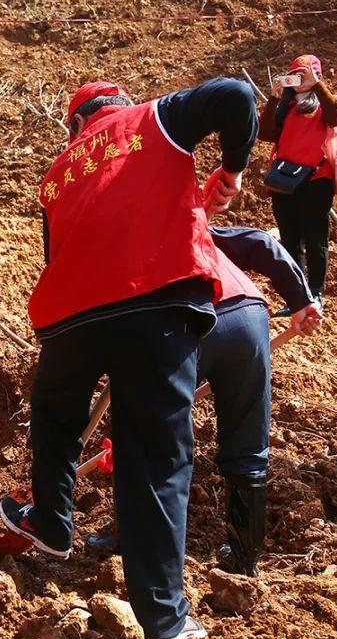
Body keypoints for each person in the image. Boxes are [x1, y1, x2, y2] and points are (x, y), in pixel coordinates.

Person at [0, 77, 258, 639]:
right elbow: (238, 98)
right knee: (154, 461)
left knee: (56, 416)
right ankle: (164, 622)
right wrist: (232, 172)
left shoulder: (56, 174)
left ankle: (52, 522)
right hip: (156, 304)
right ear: (119, 106)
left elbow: (56, 256)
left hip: (71, 318)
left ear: (74, 125)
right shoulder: (156, 117)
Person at [86, 226, 323, 578]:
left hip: (184, 323)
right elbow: (260, 242)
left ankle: (131, 540)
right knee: (247, 441)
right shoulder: (184, 215)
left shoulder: (117, 234)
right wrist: (301, 300)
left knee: (140, 431)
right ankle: (243, 558)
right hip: (247, 317)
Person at [260, 54, 337, 310]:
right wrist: (274, 97)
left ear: (316, 76)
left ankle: (315, 294)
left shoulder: (324, 103)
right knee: (290, 239)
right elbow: (264, 133)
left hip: (315, 180)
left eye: (303, 75)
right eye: (294, 74)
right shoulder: (286, 105)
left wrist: (316, 84)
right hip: (284, 183)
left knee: (315, 238)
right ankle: (297, 298)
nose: (298, 80)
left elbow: (335, 118)